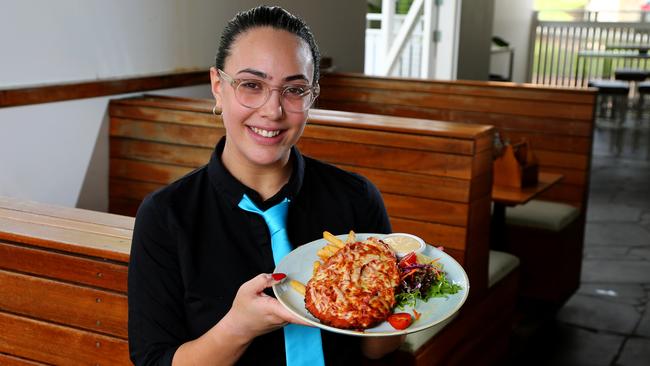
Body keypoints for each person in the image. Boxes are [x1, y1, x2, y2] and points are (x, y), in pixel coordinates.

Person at [128, 6, 404, 365]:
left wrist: (403, 295)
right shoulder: (166, 215)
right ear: (217, 87)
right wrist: (239, 326)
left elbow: (378, 351)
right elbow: (154, 360)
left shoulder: (357, 197)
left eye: (294, 89)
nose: (272, 110)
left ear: (312, 96)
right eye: (251, 85)